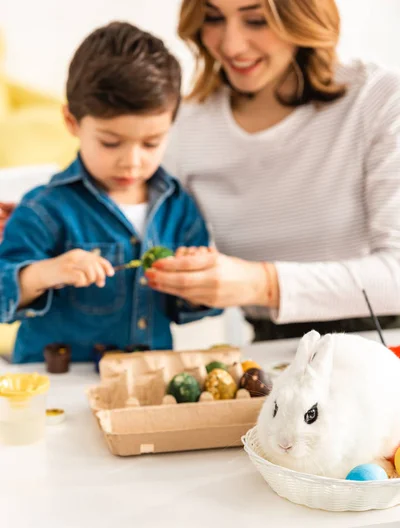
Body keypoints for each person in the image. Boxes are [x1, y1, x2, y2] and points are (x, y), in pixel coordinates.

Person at [144, 0, 400, 341]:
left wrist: (262, 284)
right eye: (213, 18)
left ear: (302, 17)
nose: (231, 45)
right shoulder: (186, 125)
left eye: (256, 20)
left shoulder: (376, 99)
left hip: (382, 343)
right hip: (271, 350)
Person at [0, 21, 219, 363]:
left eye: (151, 143)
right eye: (111, 142)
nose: (132, 162)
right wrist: (45, 272)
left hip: (146, 380)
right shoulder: (44, 209)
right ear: (72, 122)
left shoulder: (179, 207)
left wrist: (196, 287)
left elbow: (194, 309)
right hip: (59, 384)